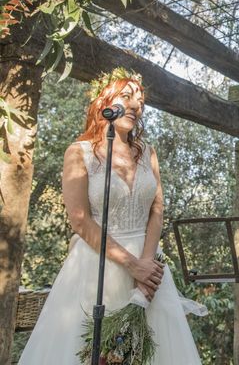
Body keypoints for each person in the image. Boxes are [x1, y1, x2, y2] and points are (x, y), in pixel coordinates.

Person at [19, 68, 205, 364]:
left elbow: (157, 210)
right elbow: (79, 219)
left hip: (147, 267)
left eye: (140, 101)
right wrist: (132, 265)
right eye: (127, 96)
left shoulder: (148, 153)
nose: (135, 106)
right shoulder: (78, 153)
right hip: (97, 267)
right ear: (103, 101)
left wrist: (146, 268)